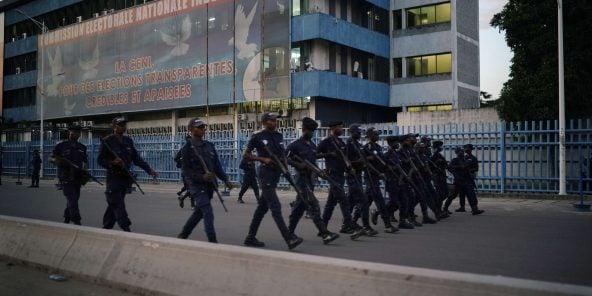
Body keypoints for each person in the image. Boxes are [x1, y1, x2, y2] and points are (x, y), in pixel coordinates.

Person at [242, 112, 304, 250]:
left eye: (275, 120)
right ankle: (289, 238)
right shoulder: (257, 136)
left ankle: (250, 237)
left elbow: (282, 155)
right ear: (264, 122)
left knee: (262, 208)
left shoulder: (278, 136)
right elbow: (245, 154)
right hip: (265, 173)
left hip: (276, 173)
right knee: (275, 206)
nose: (274, 122)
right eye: (271, 120)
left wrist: (287, 169)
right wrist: (262, 159)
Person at [97, 116, 158, 232]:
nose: (123, 127)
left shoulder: (128, 141)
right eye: (120, 125)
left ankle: (106, 228)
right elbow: (100, 160)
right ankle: (126, 229)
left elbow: (137, 159)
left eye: (124, 124)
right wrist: (112, 162)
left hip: (125, 179)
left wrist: (149, 170)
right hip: (113, 179)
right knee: (118, 205)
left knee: (114, 205)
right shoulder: (107, 141)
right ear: (114, 127)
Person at [177, 118, 233, 243]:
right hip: (196, 186)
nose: (202, 129)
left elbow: (216, 166)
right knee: (207, 211)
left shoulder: (209, 146)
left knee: (199, 213)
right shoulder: (187, 149)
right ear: (191, 129)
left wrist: (225, 179)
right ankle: (212, 241)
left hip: (209, 186)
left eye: (203, 127)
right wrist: (201, 177)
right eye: (199, 127)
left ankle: (183, 234)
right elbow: (186, 171)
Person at [286, 117, 340, 244]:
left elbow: (313, 162)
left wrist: (320, 173)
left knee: (300, 207)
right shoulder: (295, 145)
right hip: (301, 179)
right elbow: (284, 158)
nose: (312, 133)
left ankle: (289, 232)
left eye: (313, 131)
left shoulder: (312, 145)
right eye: (310, 131)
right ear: (303, 129)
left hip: (310, 179)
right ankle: (324, 233)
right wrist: (298, 165)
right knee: (313, 205)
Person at [317, 121, 361, 235]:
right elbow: (314, 154)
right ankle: (349, 225)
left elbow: (344, 159)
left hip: (341, 175)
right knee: (344, 200)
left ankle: (323, 228)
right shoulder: (326, 142)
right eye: (340, 127)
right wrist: (328, 155)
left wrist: (349, 168)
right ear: (334, 128)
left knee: (331, 203)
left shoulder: (341, 142)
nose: (342, 129)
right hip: (333, 175)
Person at [50, 124, 88, 225]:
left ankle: (66, 220)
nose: (75, 133)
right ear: (69, 132)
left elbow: (85, 162)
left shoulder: (82, 147)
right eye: (73, 131)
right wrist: (57, 161)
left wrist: (84, 170)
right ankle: (77, 221)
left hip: (77, 178)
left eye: (77, 132)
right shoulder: (61, 145)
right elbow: (51, 158)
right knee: (72, 200)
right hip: (66, 177)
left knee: (74, 199)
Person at [363, 128, 398, 233]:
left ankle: (355, 219)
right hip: (370, 177)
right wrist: (378, 172)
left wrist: (385, 170)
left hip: (376, 177)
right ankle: (387, 225)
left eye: (378, 134)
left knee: (366, 202)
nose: (378, 136)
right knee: (380, 201)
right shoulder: (367, 147)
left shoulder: (378, 147)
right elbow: (365, 163)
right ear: (369, 135)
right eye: (375, 134)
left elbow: (382, 162)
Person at [346, 124, 378, 236]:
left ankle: (346, 224)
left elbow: (363, 158)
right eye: (357, 132)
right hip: (352, 176)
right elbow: (346, 162)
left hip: (359, 175)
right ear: (351, 132)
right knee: (364, 201)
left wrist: (366, 159)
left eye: (360, 132)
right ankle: (366, 226)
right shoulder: (349, 145)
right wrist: (358, 162)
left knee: (350, 202)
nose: (359, 134)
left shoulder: (358, 145)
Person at [383, 136, 414, 229]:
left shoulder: (397, 154)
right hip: (391, 181)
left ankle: (402, 221)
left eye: (397, 142)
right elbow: (383, 168)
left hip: (400, 180)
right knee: (394, 202)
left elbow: (401, 166)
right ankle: (380, 213)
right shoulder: (386, 155)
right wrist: (392, 168)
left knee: (405, 200)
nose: (397, 144)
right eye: (395, 142)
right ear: (390, 144)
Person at [448, 147, 484, 215]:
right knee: (456, 195)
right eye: (461, 151)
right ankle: (445, 208)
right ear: (457, 152)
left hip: (467, 179)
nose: (463, 152)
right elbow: (449, 168)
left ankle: (474, 209)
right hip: (459, 180)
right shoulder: (455, 160)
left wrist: (468, 170)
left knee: (471, 194)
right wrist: (457, 170)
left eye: (462, 151)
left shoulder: (465, 159)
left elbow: (472, 168)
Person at [430, 140, 449, 213]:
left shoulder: (440, 155)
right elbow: (431, 167)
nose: (441, 147)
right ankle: (438, 209)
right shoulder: (434, 156)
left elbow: (445, 165)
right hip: (438, 177)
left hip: (442, 176)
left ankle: (438, 208)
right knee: (440, 193)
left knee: (445, 193)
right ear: (437, 147)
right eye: (440, 146)